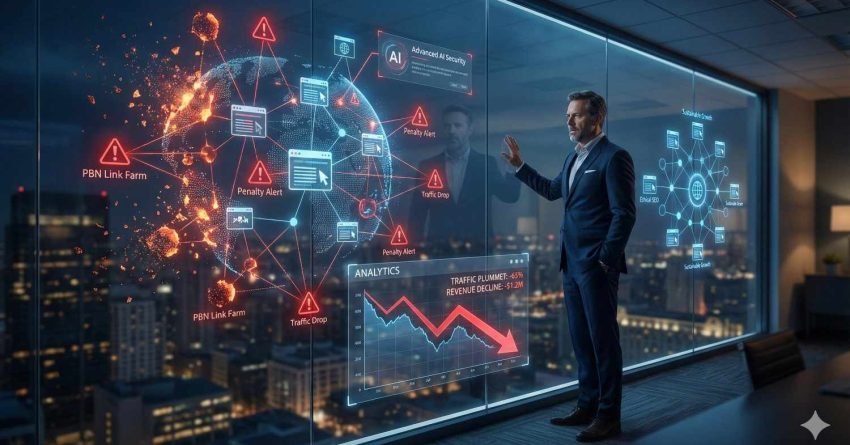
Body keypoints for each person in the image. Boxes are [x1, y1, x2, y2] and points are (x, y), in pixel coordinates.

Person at [502, 90, 635, 442]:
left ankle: (609, 416)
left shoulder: (614, 158)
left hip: (596, 267)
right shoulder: (572, 158)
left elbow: (624, 214)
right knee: (581, 340)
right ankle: (588, 405)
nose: (569, 121)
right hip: (571, 266)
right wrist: (519, 166)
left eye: (576, 115)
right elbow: (549, 190)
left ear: (596, 118)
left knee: (604, 342)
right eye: (568, 116)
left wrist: (605, 258)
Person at [409, 105, 519, 248]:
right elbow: (417, 214)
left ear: (470, 130)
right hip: (438, 250)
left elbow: (510, 196)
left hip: (478, 251)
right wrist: (413, 251)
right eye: (447, 126)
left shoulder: (485, 164)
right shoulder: (427, 166)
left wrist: (512, 168)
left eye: (457, 125)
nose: (451, 131)